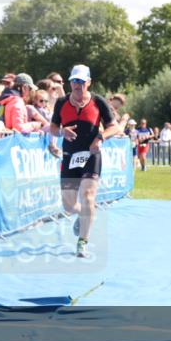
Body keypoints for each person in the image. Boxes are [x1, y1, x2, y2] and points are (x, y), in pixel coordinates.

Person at [49, 64, 122, 258]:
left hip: (91, 155)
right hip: (69, 157)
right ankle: (83, 215)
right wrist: (61, 131)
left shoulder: (98, 102)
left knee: (88, 196)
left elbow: (114, 127)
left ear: (88, 83)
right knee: (69, 205)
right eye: (74, 81)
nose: (77, 85)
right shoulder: (62, 102)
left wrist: (100, 138)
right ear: (70, 83)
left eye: (81, 81)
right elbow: (53, 128)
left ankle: (82, 242)